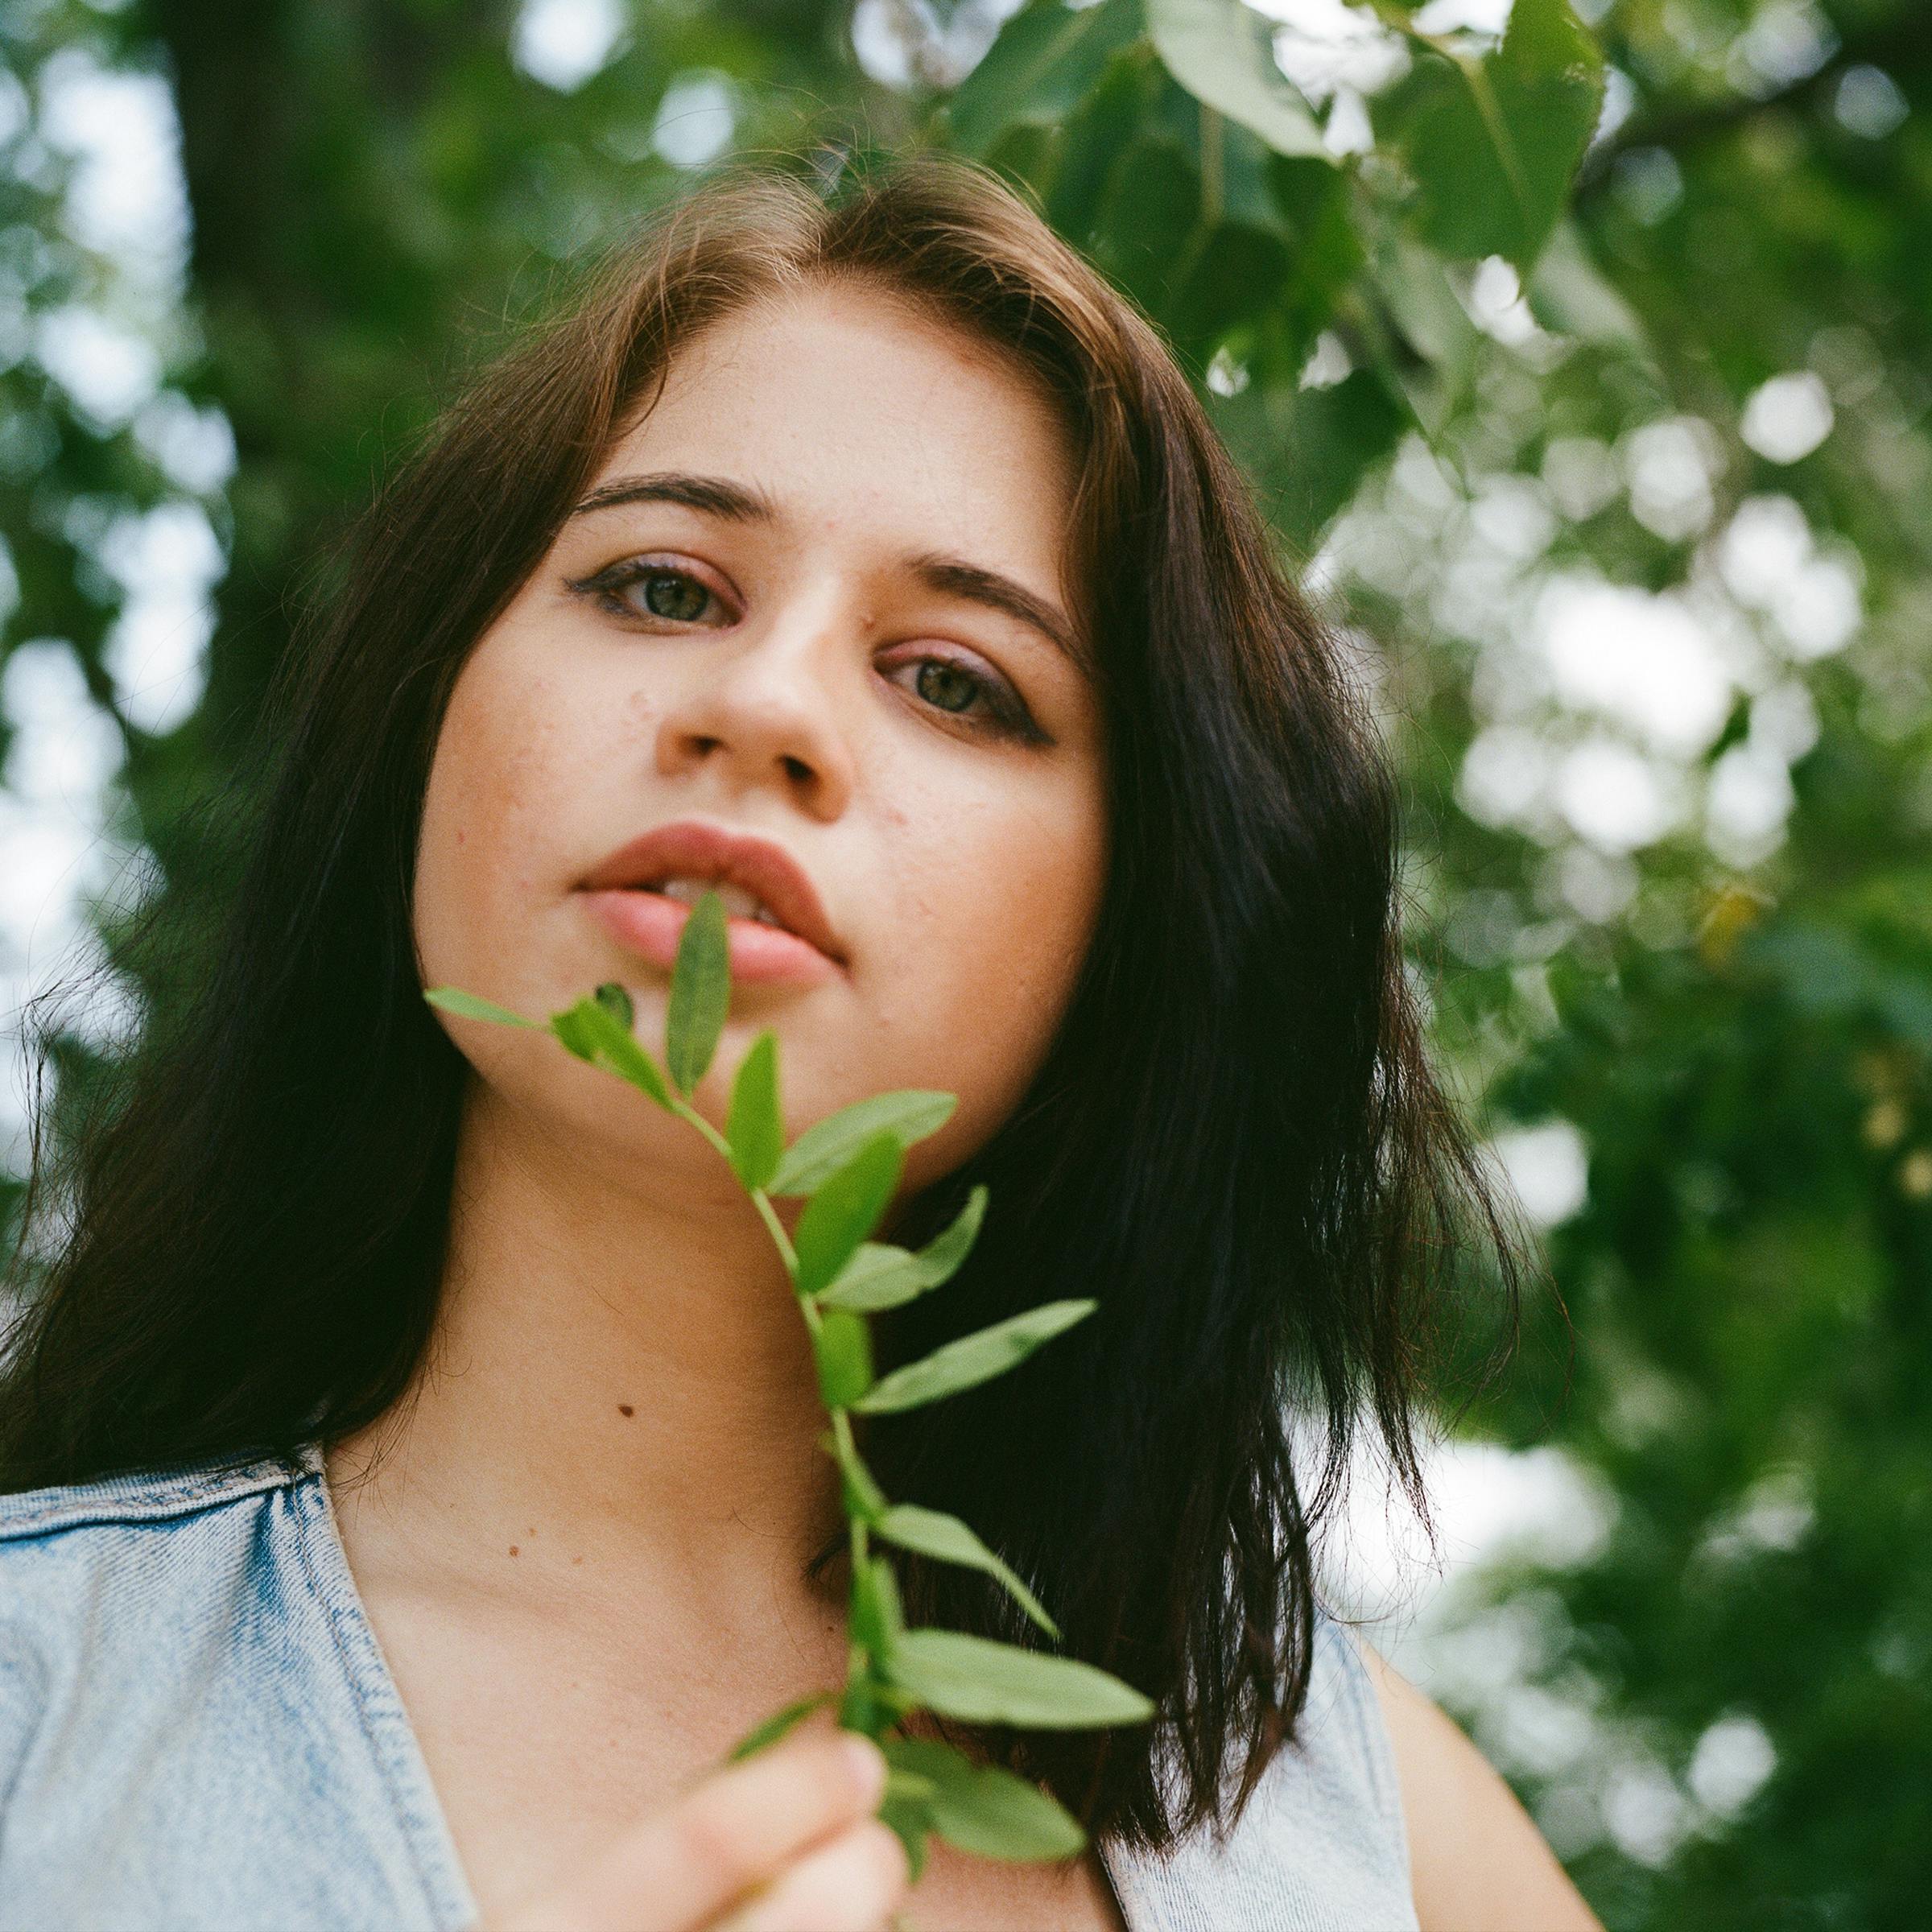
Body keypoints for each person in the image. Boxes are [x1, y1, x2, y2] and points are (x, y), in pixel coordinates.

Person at [0, 148, 1600, 1930]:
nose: (762, 707)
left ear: (1135, 929)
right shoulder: (36, 1710)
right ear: (424, 721)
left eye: (955, 681)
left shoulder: (1354, 1830)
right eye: (665, 587)